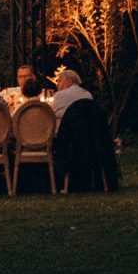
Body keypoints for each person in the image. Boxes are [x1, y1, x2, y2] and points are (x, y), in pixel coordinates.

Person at [52, 64, 122, 192]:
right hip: (91, 139)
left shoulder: (59, 95)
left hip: (69, 140)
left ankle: (58, 179)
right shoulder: (87, 94)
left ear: (68, 81)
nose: (57, 84)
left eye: (59, 81)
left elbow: (51, 115)